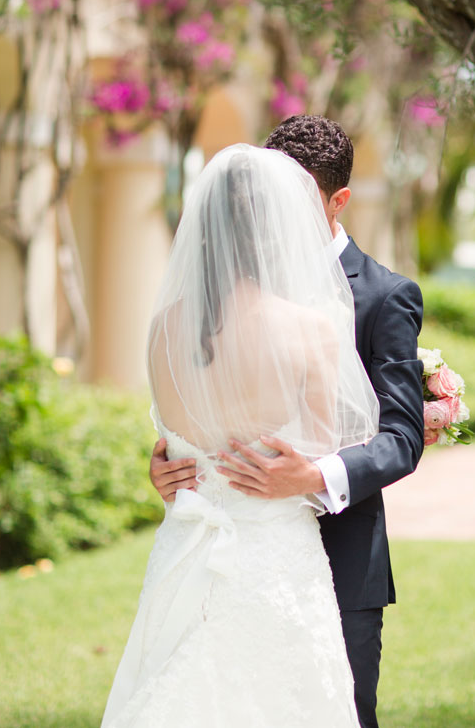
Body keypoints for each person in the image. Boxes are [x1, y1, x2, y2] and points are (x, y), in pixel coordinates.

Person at [150, 116, 425, 728]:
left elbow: (401, 437)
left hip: (338, 562)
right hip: (230, 556)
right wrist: (170, 455)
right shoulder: (240, 308)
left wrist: (313, 475)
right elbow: (203, 414)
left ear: (337, 200)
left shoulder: (385, 295)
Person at [101, 143, 380, 728]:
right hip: (275, 555)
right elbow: (316, 458)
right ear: (277, 229)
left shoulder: (161, 328)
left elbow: (173, 437)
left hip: (186, 548)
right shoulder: (311, 330)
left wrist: (175, 464)